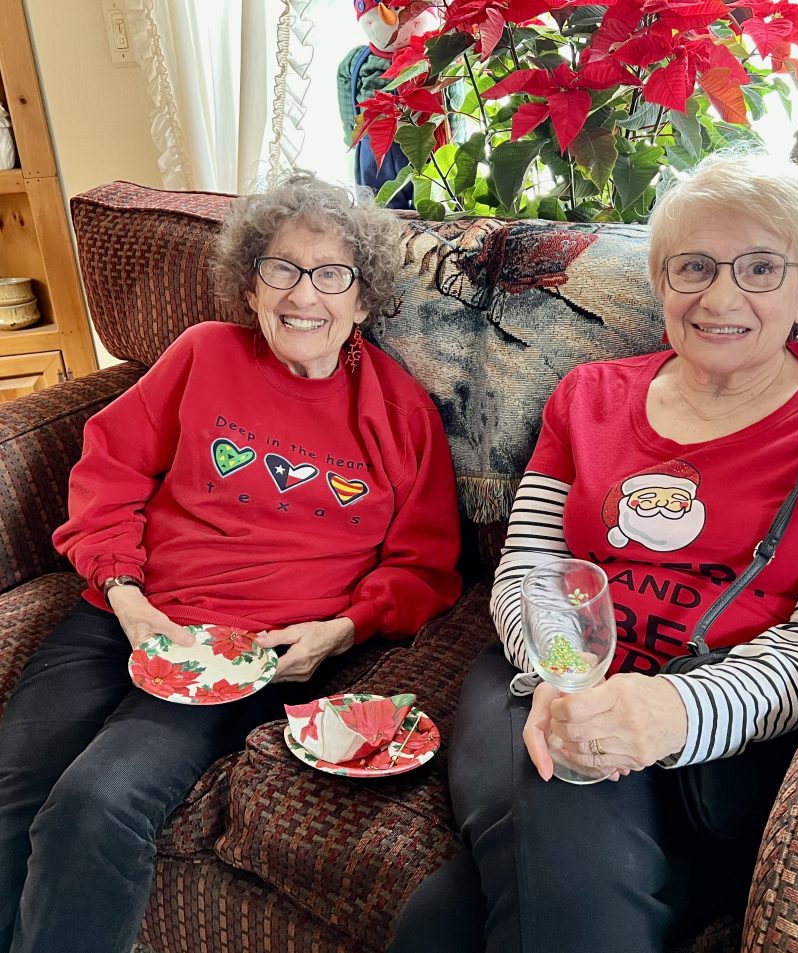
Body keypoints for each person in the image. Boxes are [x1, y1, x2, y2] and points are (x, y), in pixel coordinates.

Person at [388, 151, 798, 953]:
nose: (722, 296)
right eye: (694, 267)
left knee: (437, 927)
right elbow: (530, 567)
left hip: (726, 727)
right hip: (539, 682)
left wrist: (671, 712)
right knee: (565, 787)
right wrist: (568, 678)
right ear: (660, 280)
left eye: (760, 268)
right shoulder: (589, 393)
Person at [0, 172, 462, 953]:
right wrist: (125, 592)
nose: (302, 295)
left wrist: (341, 632)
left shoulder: (399, 411)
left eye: (330, 274)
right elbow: (107, 472)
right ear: (251, 285)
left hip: (239, 655)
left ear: (364, 298)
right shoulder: (203, 354)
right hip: (122, 616)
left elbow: (426, 568)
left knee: (96, 800)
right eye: (280, 268)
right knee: (11, 783)